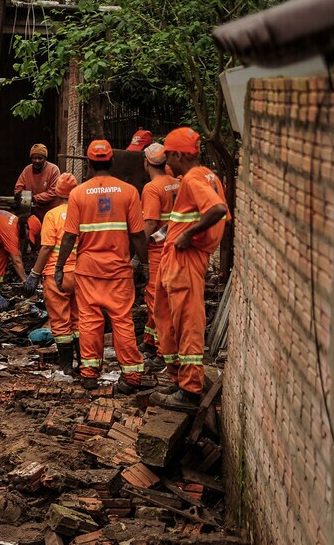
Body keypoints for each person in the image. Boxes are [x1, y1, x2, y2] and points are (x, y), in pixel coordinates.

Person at [55, 140, 149, 392]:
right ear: (112, 161)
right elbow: (138, 235)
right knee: (122, 320)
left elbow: (69, 236)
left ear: (88, 164)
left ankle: (89, 374)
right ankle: (132, 377)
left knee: (88, 321)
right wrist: (146, 264)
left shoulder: (77, 194)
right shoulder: (129, 192)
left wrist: (59, 267)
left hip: (88, 270)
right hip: (118, 270)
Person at [151, 128, 230, 411]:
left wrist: (186, 236)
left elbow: (218, 210)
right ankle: (180, 379)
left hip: (186, 259)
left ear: (180, 154)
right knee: (165, 317)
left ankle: (190, 389)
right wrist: (170, 234)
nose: (166, 162)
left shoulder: (195, 178)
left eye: (169, 155)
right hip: (180, 257)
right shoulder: (208, 176)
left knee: (186, 322)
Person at [28, 173, 80, 373]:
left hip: (56, 274)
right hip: (80, 273)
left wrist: (34, 273)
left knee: (60, 322)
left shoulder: (52, 215)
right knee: (79, 320)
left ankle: (66, 366)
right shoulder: (83, 212)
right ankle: (86, 365)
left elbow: (47, 247)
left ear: (57, 193)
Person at [140, 143, 180, 364]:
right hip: (173, 245)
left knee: (156, 300)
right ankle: (149, 340)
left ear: (146, 162)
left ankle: (161, 349)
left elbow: (151, 223)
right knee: (159, 298)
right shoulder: (175, 183)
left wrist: (137, 253)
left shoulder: (152, 188)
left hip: (158, 249)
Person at [14, 144, 61, 218]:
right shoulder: (27, 170)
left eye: (40, 158)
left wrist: (34, 198)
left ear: (45, 159)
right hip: (32, 212)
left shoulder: (53, 170)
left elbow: (53, 192)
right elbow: (18, 187)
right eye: (34, 158)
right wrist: (21, 196)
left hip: (49, 213)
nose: (37, 161)